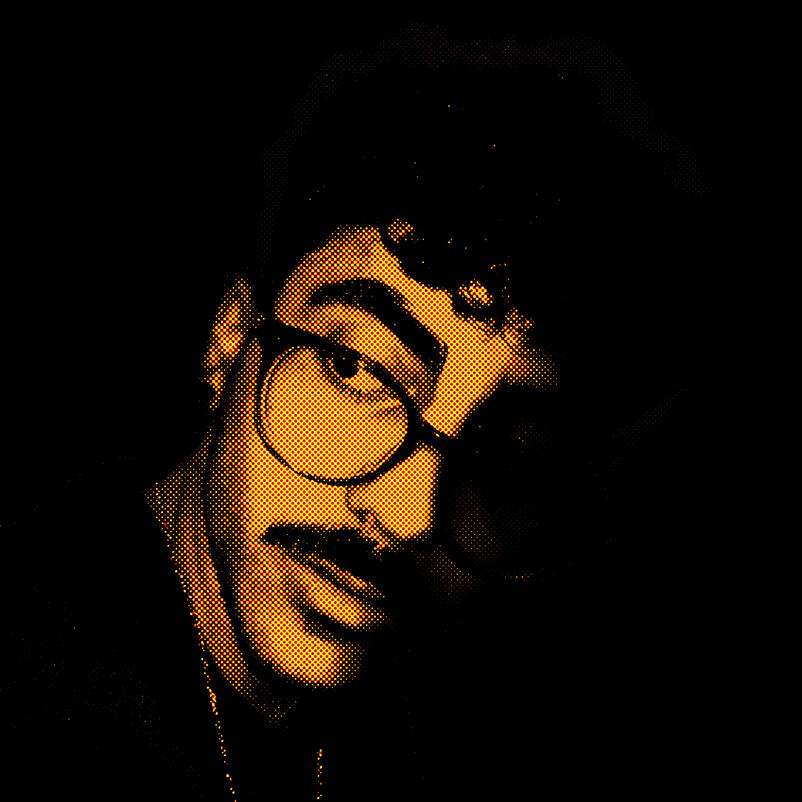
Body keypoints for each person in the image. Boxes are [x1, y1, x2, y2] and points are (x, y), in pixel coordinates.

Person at [5, 25, 710, 801]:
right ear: (231, 337)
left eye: (498, 455)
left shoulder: (424, 736)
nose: (410, 516)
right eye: (362, 370)